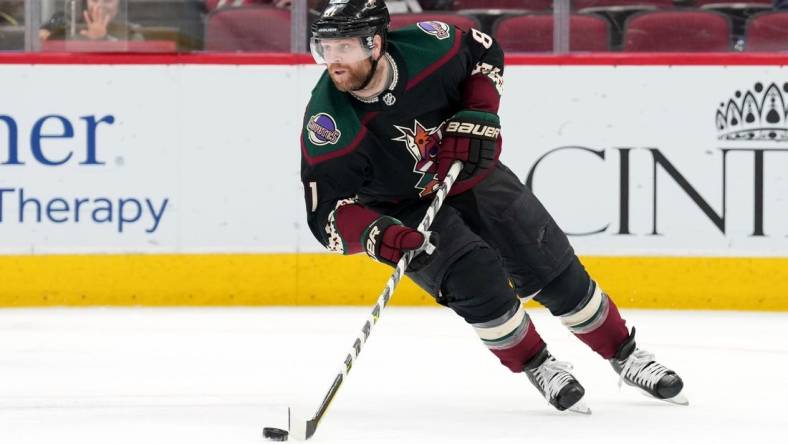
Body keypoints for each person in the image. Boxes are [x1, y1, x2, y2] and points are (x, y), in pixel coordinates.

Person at [300, 0, 686, 413]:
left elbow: (484, 52)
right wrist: (382, 236)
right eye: (325, 48)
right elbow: (326, 216)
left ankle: (625, 354)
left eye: (345, 48)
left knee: (552, 270)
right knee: (476, 284)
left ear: (375, 44)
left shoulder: (432, 46)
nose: (333, 60)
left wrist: (479, 112)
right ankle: (539, 364)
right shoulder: (328, 124)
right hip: (403, 208)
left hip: (470, 175)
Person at [39, 0, 143, 43]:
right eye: (94, 0)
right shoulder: (71, 27)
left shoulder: (132, 33)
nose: (100, 6)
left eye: (108, 0)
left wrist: (101, 40)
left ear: (119, 5)